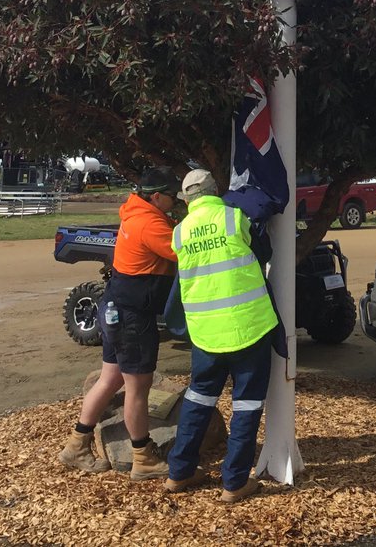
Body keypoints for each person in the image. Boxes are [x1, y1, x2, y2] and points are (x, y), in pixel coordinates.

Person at [164, 168, 278, 504]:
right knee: (246, 404)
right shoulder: (233, 218)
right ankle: (234, 483)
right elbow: (264, 253)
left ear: (186, 200)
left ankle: (179, 473)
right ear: (218, 190)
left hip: (205, 333)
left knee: (198, 399)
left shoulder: (180, 233)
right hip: (248, 327)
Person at [58, 166, 179, 480]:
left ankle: (76, 445)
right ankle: (143, 457)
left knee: (110, 379)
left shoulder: (133, 213)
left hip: (114, 307)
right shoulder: (150, 223)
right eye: (171, 196)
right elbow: (184, 252)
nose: (175, 200)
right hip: (132, 315)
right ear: (155, 196)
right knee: (138, 387)